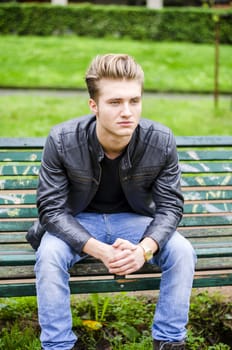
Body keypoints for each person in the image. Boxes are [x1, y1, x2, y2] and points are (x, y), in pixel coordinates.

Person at [27, 53, 196, 350]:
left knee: (182, 250)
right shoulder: (62, 140)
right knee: (49, 254)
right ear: (94, 106)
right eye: (115, 102)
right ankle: (58, 345)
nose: (127, 112)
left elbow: (170, 206)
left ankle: (170, 342)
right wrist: (101, 250)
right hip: (77, 220)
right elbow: (52, 209)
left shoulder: (161, 140)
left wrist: (143, 250)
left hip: (133, 222)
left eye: (135, 101)